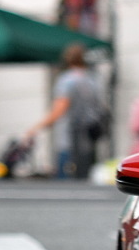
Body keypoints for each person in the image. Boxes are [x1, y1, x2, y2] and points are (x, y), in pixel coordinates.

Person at [25, 42, 106, 180]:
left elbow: (60, 108)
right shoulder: (92, 80)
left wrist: (37, 127)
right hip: (88, 138)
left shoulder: (67, 80)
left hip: (69, 138)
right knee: (85, 178)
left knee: (66, 180)